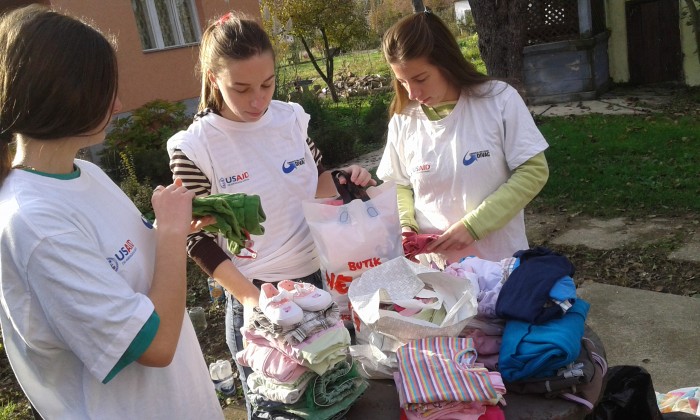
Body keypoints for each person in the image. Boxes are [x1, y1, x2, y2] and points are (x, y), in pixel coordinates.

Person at [0, 5, 231, 419]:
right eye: (104, 88)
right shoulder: (34, 223)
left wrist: (168, 226)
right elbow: (154, 346)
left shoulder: (84, 172)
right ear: (61, 95)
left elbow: (137, 277)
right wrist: (173, 236)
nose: (119, 101)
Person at [166, 11, 374, 418]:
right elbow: (195, 237)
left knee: (335, 401)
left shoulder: (290, 118)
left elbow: (311, 184)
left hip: (318, 287)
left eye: (267, 83)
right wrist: (253, 300)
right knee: (278, 410)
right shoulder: (195, 147)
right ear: (213, 78)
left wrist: (347, 178)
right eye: (241, 89)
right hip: (258, 297)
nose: (258, 100)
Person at [376, 7, 550, 267]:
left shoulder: (498, 99)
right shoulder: (404, 120)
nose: (412, 93)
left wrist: (474, 226)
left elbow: (533, 171)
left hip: (499, 267)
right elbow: (397, 184)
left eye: (420, 78)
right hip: (436, 274)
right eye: (402, 82)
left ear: (446, 63)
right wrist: (406, 226)